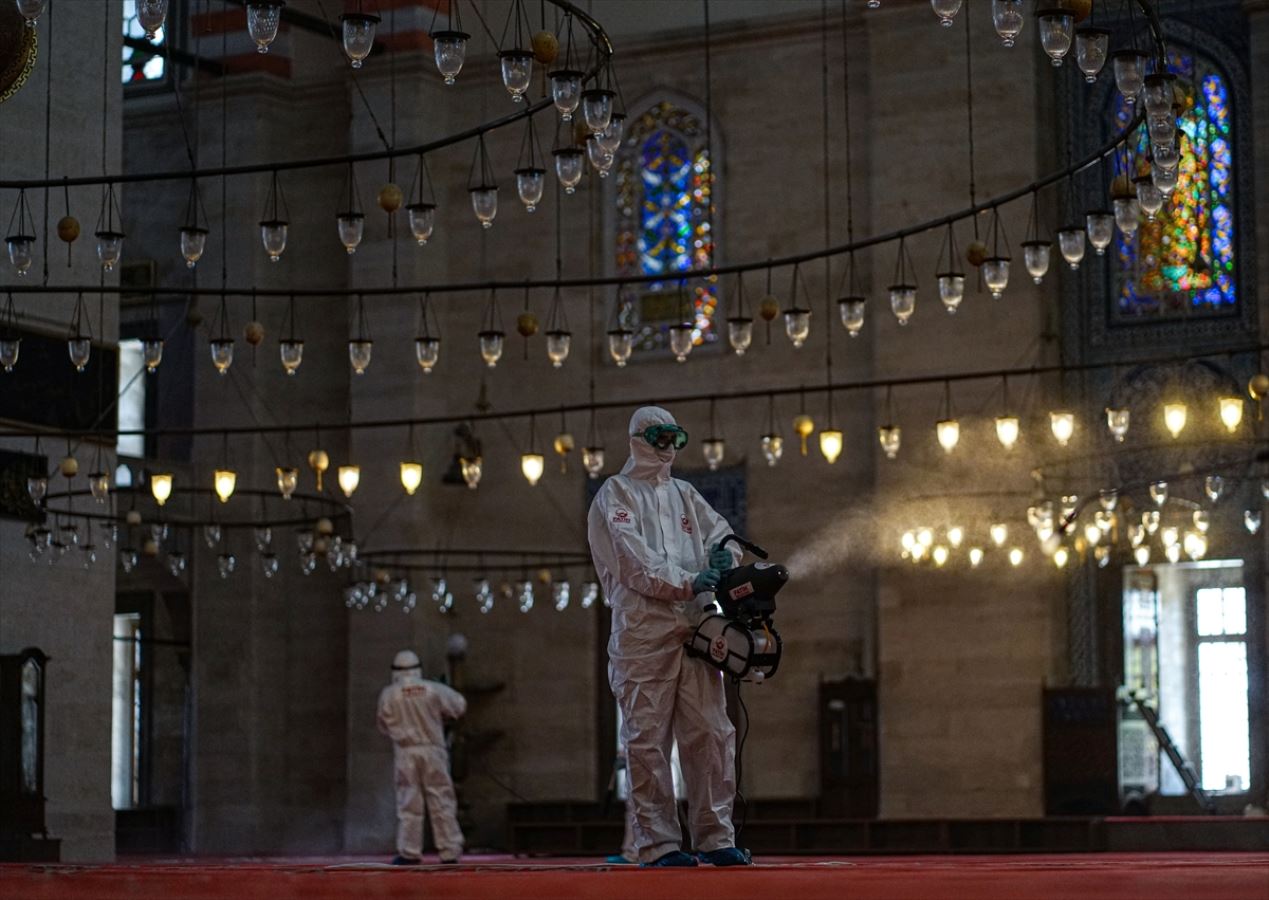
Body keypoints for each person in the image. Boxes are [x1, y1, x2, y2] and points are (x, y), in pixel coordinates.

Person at [587, 405, 751, 868]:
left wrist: (723, 560)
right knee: (647, 740)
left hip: (696, 626)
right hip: (643, 632)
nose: (667, 448)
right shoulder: (615, 494)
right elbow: (634, 562)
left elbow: (722, 534)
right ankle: (658, 844)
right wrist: (688, 581)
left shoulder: (685, 495)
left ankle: (716, 837)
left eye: (675, 439)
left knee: (712, 733)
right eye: (659, 438)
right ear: (638, 438)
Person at [376, 649, 467, 865]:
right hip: (433, 749)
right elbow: (459, 705)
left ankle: (409, 852)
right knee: (442, 800)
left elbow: (383, 725)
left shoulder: (389, 694)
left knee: (408, 802)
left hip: (406, 752)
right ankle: (449, 851)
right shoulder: (433, 689)